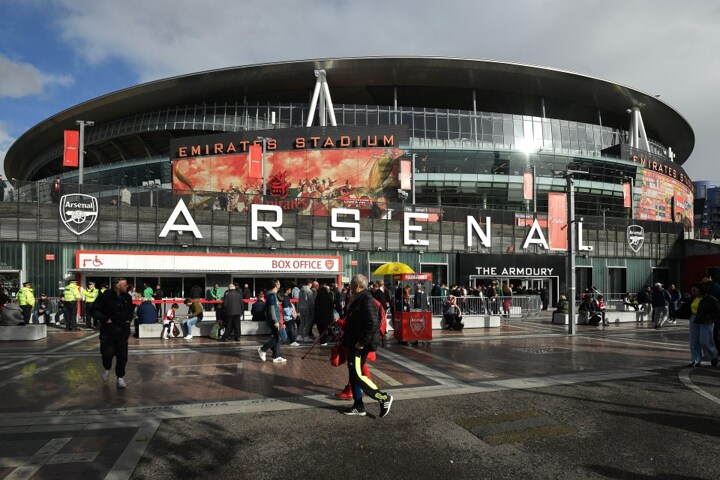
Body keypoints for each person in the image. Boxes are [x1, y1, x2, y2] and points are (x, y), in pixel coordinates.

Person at [341, 274, 393, 418]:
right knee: (354, 375)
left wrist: (362, 342)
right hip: (354, 343)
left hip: (359, 345)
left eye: (351, 284)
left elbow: (372, 324)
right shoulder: (358, 299)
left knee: (357, 376)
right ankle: (358, 406)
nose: (349, 287)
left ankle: (383, 398)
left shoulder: (366, 300)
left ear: (358, 286)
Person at [92, 278, 135, 389]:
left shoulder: (127, 297)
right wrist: (105, 319)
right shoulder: (105, 296)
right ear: (117, 285)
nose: (127, 287)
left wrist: (128, 320)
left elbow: (131, 311)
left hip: (122, 332)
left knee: (122, 356)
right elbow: (94, 310)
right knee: (107, 354)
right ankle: (107, 368)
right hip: (108, 332)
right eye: (125, 285)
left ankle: (120, 378)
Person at [686, 282, 719, 368]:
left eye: (694, 290)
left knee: (705, 341)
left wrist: (708, 317)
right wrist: (675, 313)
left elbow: (716, 311)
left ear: (700, 290)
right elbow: (685, 308)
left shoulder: (710, 299)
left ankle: (713, 356)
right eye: (691, 290)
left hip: (706, 321)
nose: (692, 292)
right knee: (694, 341)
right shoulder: (693, 298)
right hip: (694, 319)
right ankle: (696, 360)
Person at [258, 279, 287, 363]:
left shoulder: (272, 294)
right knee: (280, 337)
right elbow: (272, 309)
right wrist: (276, 321)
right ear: (275, 285)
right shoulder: (271, 295)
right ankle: (263, 349)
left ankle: (276, 356)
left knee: (277, 338)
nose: (280, 285)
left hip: (276, 319)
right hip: (274, 320)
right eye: (279, 283)